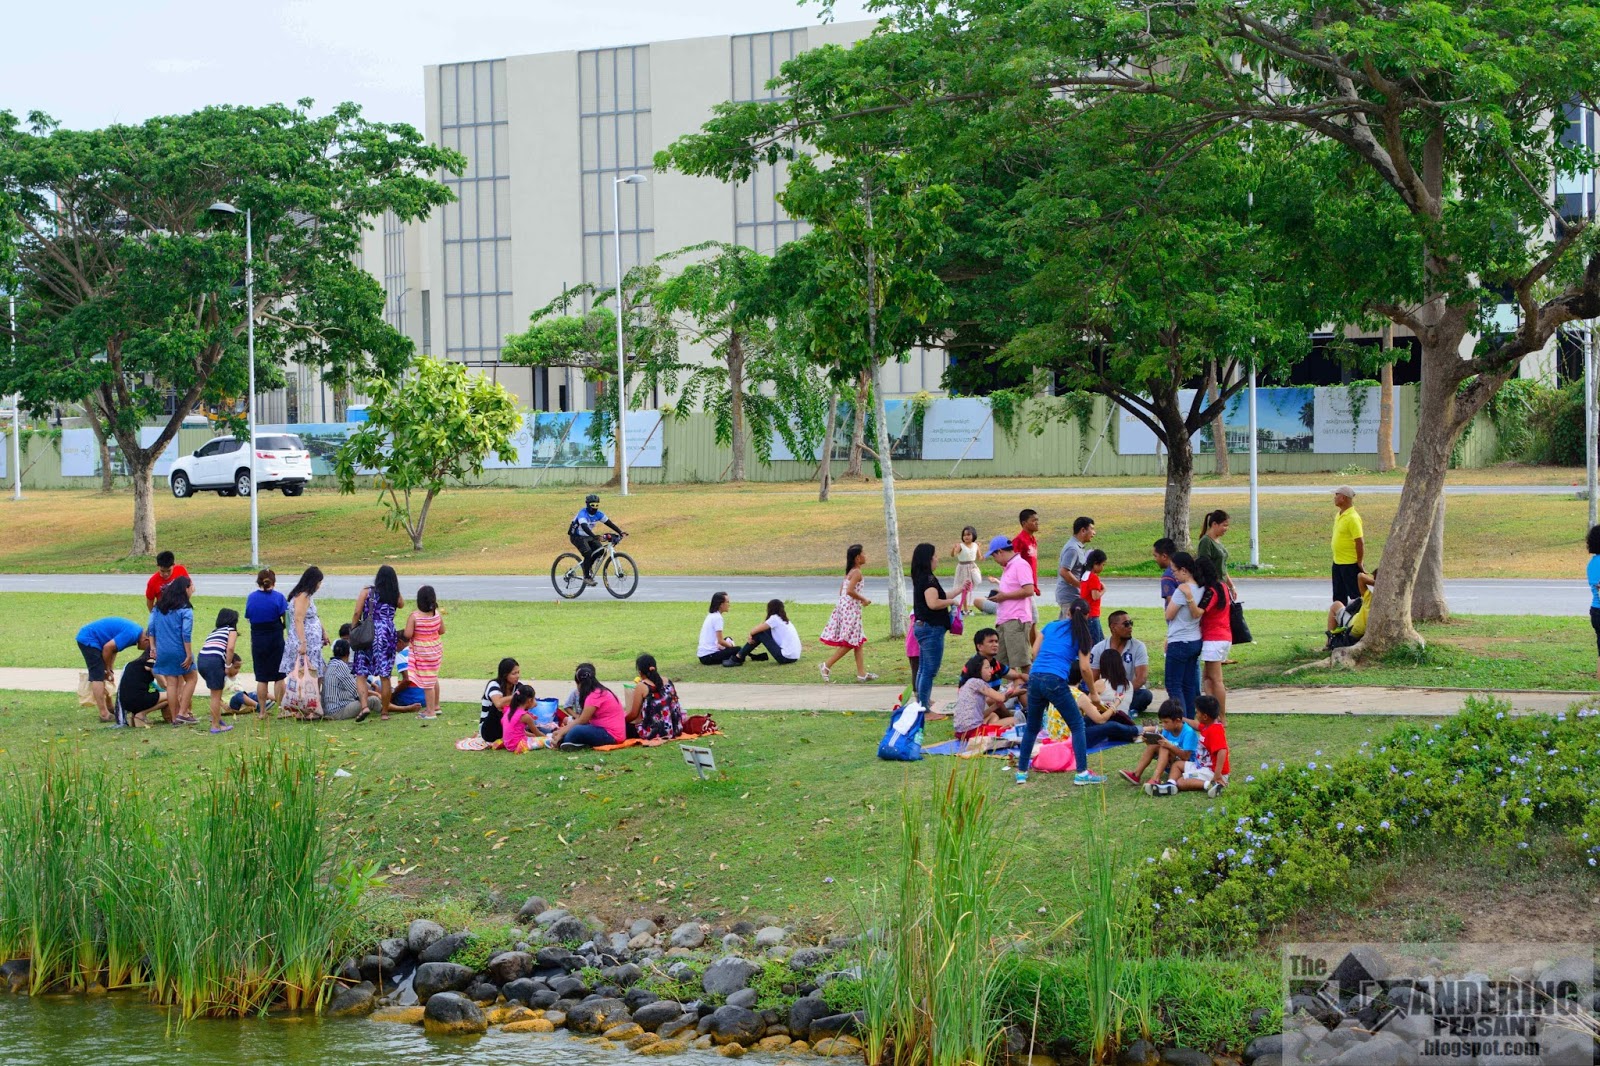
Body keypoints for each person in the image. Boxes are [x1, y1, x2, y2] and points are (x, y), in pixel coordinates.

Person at [1017, 599, 1107, 786]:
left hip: (1034, 678)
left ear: (1068, 613)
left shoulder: (1051, 626)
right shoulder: (1084, 636)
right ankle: (1082, 773)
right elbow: (1085, 668)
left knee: (1032, 727)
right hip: (1055, 680)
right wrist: (1093, 693)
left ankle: (1021, 772)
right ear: (1088, 616)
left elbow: (1034, 653)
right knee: (1077, 725)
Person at [911, 541, 971, 713]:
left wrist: (960, 590)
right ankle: (924, 709)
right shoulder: (929, 579)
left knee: (923, 668)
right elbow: (934, 603)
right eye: (935, 556)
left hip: (923, 627)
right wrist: (952, 602)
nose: (937, 559)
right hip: (931, 629)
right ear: (928, 559)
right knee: (929, 670)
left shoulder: (922, 577)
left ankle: (923, 703)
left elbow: (941, 595)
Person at [1149, 694, 1228, 798]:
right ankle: (1170, 784)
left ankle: (1211, 785)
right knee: (1177, 765)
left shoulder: (1215, 730)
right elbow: (1195, 724)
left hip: (1212, 771)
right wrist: (1181, 718)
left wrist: (1217, 775)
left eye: (1197, 712)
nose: (1196, 714)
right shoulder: (1206, 725)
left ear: (1204, 716)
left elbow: (1222, 751)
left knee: (1181, 782)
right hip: (1200, 765)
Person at [351, 565, 403, 717]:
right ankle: (385, 712)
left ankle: (365, 706)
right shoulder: (395, 595)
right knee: (385, 675)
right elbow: (401, 604)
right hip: (387, 634)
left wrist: (354, 629)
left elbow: (357, 612)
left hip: (368, 633)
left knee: (361, 672)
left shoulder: (368, 591)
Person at [74, 617, 147, 723]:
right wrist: (106, 669)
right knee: (98, 675)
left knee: (104, 674)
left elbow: (113, 649)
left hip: (95, 639)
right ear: (146, 640)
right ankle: (104, 714)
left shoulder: (135, 633)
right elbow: (108, 648)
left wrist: (110, 669)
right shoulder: (132, 634)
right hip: (89, 639)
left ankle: (109, 707)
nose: (147, 650)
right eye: (149, 647)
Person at [820, 544, 875, 683]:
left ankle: (861, 673)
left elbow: (842, 592)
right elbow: (850, 591)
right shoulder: (857, 572)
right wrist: (863, 599)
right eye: (863, 553)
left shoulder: (850, 572)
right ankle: (827, 665)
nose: (865, 556)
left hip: (846, 608)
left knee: (857, 641)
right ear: (857, 558)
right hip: (851, 610)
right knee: (850, 642)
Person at [147, 575, 197, 726]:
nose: (193, 589)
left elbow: (151, 628)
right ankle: (183, 712)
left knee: (171, 683)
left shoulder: (158, 608)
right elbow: (186, 633)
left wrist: (153, 647)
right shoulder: (185, 609)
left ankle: (175, 717)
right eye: (191, 586)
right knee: (192, 678)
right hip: (179, 649)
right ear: (185, 589)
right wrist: (188, 654)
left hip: (163, 650)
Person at [984, 535, 1037, 674]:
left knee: (1022, 661)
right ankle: (1012, 689)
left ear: (1000, 551)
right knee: (1003, 663)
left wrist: (1004, 596)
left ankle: (1030, 691)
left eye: (994, 556)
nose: (994, 560)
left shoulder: (1020, 565)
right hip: (1004, 620)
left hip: (1016, 620)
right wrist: (999, 594)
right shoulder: (1008, 567)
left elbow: (1029, 590)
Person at [280, 567, 329, 714]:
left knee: (317, 672)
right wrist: (303, 643)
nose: (320, 585)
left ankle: (314, 703)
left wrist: (323, 631)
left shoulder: (307, 596)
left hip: (314, 643)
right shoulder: (302, 596)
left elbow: (314, 616)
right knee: (307, 675)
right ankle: (306, 705)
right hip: (306, 643)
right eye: (319, 582)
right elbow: (298, 619)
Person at [1120, 699, 1199, 789]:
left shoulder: (1188, 733)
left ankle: (1155, 779)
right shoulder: (1168, 730)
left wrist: (1169, 745)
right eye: (1162, 722)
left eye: (1166, 722)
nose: (1164, 725)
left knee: (1164, 747)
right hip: (1171, 763)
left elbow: (1186, 757)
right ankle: (1136, 774)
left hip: (1185, 767)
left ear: (1177, 721)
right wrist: (1149, 741)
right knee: (1154, 745)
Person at [1163, 551, 1204, 719]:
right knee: (1188, 684)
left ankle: (1179, 720)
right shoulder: (1202, 587)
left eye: (1175, 571)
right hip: (1195, 639)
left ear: (1184, 570)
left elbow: (1169, 614)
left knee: (1174, 684)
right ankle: (1189, 720)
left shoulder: (1182, 590)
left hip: (1180, 641)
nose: (1173, 574)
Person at [548, 663, 627, 750]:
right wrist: (562, 731)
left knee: (576, 731)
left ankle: (567, 741)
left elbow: (582, 720)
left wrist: (562, 732)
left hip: (611, 735)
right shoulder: (598, 691)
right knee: (573, 730)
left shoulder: (594, 695)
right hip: (609, 733)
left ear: (579, 684)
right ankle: (568, 741)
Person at [1089, 611, 1153, 715]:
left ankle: (1113, 709)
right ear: (1113, 627)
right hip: (1106, 691)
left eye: (1131, 623)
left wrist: (1121, 692)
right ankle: (1123, 710)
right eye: (1126, 624)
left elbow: (1141, 678)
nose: (1130, 627)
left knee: (1145, 695)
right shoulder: (1098, 648)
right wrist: (1105, 691)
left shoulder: (1138, 647)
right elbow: (1093, 678)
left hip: (1130, 690)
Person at [245, 569, 289, 715]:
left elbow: (249, 617)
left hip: (258, 639)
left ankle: (262, 711)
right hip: (275, 638)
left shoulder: (251, 598)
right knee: (279, 676)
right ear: (274, 582)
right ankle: (280, 709)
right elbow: (286, 619)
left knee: (262, 678)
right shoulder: (279, 598)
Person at [1194, 556, 1233, 718]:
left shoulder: (1211, 592)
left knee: (1215, 680)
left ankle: (1221, 717)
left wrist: (1189, 598)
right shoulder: (1223, 586)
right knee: (1208, 678)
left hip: (1213, 639)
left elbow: (1198, 612)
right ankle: (1212, 715)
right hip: (1224, 637)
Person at [196, 607, 240, 734]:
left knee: (215, 693)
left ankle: (218, 719)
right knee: (216, 696)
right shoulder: (231, 630)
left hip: (202, 660)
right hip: (214, 662)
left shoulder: (214, 632)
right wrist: (227, 666)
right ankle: (215, 726)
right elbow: (230, 648)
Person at [405, 584, 445, 720]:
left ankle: (430, 711)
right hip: (436, 649)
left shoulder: (415, 616)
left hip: (423, 651)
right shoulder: (437, 614)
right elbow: (442, 631)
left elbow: (408, 633)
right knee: (433, 678)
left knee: (427, 682)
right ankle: (436, 706)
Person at [952, 658, 1017, 741]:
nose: (991, 671)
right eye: (987, 668)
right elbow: (1001, 697)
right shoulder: (978, 683)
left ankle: (991, 728)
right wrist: (1011, 690)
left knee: (993, 715)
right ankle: (994, 730)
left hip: (960, 732)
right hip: (972, 732)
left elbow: (979, 715)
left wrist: (995, 706)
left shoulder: (967, 684)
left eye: (991, 667)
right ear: (978, 670)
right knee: (1014, 720)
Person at [570, 493, 625, 585]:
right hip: (577, 536)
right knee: (588, 553)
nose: (595, 507)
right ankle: (587, 577)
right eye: (593, 505)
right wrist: (594, 535)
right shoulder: (582, 513)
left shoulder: (598, 514)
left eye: (597, 505)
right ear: (587, 505)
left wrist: (620, 532)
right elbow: (584, 527)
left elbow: (609, 523)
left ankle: (586, 566)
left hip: (588, 536)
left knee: (600, 551)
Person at [628, 653, 685, 740]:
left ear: (640, 672)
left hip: (654, 733)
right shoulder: (667, 681)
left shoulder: (642, 686)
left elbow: (633, 714)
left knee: (625, 727)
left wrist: (621, 720)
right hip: (676, 729)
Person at [324, 639, 381, 721]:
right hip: (337, 711)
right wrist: (375, 694)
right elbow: (356, 692)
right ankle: (390, 709)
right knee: (374, 700)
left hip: (329, 709)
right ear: (348, 653)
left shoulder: (331, 664)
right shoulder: (341, 666)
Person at [734, 599, 803, 665]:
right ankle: (741, 655)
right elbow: (763, 625)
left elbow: (756, 630)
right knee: (763, 631)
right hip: (794, 657)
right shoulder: (782, 619)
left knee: (759, 634)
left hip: (785, 657)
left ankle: (738, 657)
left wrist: (750, 634)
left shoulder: (774, 618)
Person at [1055, 516, 1096, 618]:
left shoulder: (1077, 547)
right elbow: (1064, 571)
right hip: (1070, 598)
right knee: (1070, 629)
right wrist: (1081, 586)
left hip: (1073, 597)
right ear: (1083, 530)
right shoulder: (1073, 549)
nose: (1094, 533)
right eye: (1092, 529)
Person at [1326, 569, 1378, 649]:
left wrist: (1378, 584)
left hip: (1353, 628)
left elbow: (1360, 576)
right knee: (1354, 602)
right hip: (1361, 624)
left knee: (1336, 605)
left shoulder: (1370, 598)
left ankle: (1329, 641)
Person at [1330, 485, 1365, 604]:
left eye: (1336, 495)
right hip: (1338, 562)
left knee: (1355, 596)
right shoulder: (1339, 514)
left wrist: (1359, 561)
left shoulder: (1353, 518)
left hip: (1349, 563)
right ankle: (1341, 619)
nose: (1334, 498)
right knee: (1338, 596)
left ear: (1343, 498)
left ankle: (1359, 621)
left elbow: (1359, 542)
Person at [117, 649, 168, 728]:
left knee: (138, 691)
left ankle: (133, 717)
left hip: (125, 702)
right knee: (172, 696)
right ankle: (141, 714)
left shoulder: (133, 663)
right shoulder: (151, 662)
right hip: (138, 699)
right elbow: (164, 685)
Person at [1196, 509, 1236, 598]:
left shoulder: (1217, 541)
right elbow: (1204, 566)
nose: (1226, 528)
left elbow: (1223, 569)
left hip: (1222, 586)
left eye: (1227, 525)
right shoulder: (1206, 542)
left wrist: (1231, 587)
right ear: (1214, 524)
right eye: (1224, 525)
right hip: (1213, 588)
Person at [480, 657, 521, 743]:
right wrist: (517, 695)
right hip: (489, 730)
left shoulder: (518, 686)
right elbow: (498, 703)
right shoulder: (494, 685)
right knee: (499, 706)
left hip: (507, 727)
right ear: (505, 675)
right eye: (514, 673)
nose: (517, 676)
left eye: (518, 672)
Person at [385, 634, 427, 716]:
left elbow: (407, 680)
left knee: (381, 689)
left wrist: (393, 693)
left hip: (409, 699)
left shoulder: (401, 656)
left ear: (400, 642)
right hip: (424, 699)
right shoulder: (419, 652)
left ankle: (405, 708)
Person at [1013, 510, 1042, 623]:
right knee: (1032, 619)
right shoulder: (1019, 541)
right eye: (1033, 520)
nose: (1037, 523)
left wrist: (1035, 586)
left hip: (1030, 586)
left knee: (1032, 621)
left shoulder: (1033, 539)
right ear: (1024, 523)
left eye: (1037, 520)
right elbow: (1011, 564)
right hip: (1022, 587)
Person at [698, 592, 741, 666]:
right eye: (727, 602)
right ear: (721, 604)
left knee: (728, 638)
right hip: (708, 656)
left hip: (703, 655)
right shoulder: (717, 618)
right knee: (738, 649)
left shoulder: (711, 615)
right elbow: (720, 641)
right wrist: (731, 647)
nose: (729, 604)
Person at [501, 683, 539, 752]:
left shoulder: (509, 710)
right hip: (518, 745)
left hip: (508, 745)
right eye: (534, 699)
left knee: (533, 737)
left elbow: (520, 731)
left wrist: (533, 735)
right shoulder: (525, 716)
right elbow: (537, 733)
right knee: (543, 740)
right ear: (530, 700)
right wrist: (546, 737)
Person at [1080, 548, 1107, 646]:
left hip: (1086, 614)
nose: (1103, 568)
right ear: (1096, 563)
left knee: (1098, 641)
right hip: (1092, 614)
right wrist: (1103, 590)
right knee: (1097, 644)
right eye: (1102, 564)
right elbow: (1095, 596)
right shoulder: (1093, 577)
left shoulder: (1084, 575)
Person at [951, 526, 983, 593]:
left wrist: (987, 555)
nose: (966, 537)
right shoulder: (960, 545)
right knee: (964, 588)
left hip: (972, 567)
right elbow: (953, 555)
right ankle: (965, 603)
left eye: (968, 535)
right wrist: (954, 548)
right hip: (962, 568)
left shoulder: (975, 545)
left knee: (970, 586)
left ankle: (967, 602)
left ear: (973, 535)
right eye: (964, 535)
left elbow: (980, 557)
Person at [1153, 538, 1179, 609]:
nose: (1155, 559)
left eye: (1155, 556)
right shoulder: (1184, 570)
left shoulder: (1167, 577)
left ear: (1164, 556)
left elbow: (1172, 604)